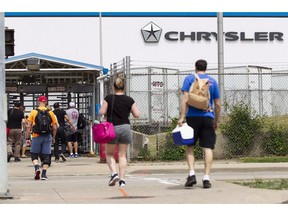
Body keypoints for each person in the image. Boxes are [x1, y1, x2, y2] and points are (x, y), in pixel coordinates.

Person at [178, 59, 221, 189]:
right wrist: (216, 120)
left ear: (195, 67)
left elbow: (185, 99)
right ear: (206, 68)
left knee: (189, 146)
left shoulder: (189, 79)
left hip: (192, 118)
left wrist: (182, 117)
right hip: (207, 117)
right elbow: (218, 104)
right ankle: (206, 178)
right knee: (207, 147)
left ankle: (191, 174)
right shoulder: (212, 81)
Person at [99, 77, 140, 187]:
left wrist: (103, 109)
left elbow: (101, 112)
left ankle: (114, 174)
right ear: (124, 87)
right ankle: (122, 180)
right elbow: (137, 115)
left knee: (109, 153)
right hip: (125, 127)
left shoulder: (108, 98)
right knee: (122, 155)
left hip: (112, 128)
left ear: (113, 87)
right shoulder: (129, 99)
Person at [25, 95, 58, 180]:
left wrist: (27, 138)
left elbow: (29, 126)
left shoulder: (33, 112)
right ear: (46, 102)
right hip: (47, 136)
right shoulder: (51, 113)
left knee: (34, 154)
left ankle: (36, 168)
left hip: (36, 136)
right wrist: (53, 137)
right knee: (46, 155)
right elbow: (54, 127)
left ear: (38, 102)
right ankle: (43, 174)